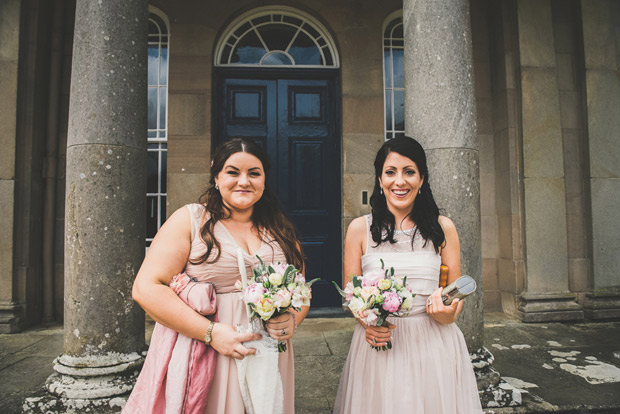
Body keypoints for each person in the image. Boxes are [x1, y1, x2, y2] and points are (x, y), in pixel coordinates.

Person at [127, 138, 307, 414]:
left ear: (264, 180)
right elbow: (146, 288)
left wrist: (292, 318)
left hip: (269, 354)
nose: (244, 181)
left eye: (254, 173)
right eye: (233, 172)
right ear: (216, 177)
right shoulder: (190, 220)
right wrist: (211, 333)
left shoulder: (281, 230)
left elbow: (301, 291)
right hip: (208, 350)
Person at [333, 136, 482, 413]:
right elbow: (351, 295)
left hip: (433, 344)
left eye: (409, 172)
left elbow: (455, 297)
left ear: (422, 179)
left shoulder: (443, 228)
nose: (399, 181)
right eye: (390, 172)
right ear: (379, 179)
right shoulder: (358, 229)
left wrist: (447, 313)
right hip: (379, 344)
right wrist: (368, 322)